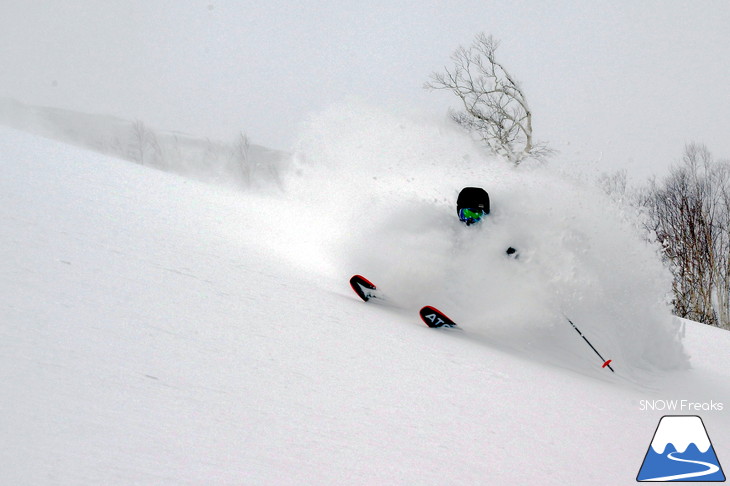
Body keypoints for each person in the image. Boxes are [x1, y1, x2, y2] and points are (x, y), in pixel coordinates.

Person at [457, 186, 518, 258]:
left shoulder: (495, 236)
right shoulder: (450, 231)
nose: (469, 220)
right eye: (466, 214)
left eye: (476, 215)